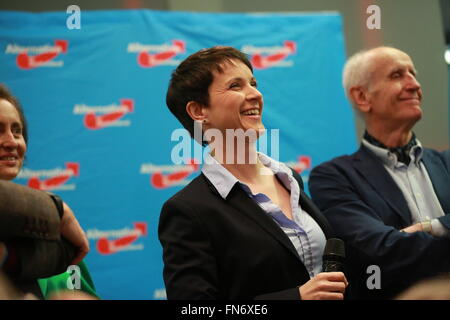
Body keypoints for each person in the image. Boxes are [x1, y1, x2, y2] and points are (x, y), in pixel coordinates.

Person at [158, 46, 348, 300]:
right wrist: (296, 298)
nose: (255, 94)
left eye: (253, 83)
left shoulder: (289, 178)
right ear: (199, 112)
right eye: (236, 86)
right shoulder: (188, 210)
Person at [308, 46, 450, 299]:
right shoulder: (333, 177)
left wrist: (432, 226)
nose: (414, 85)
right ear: (362, 96)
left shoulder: (447, 162)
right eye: (397, 75)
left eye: (413, 74)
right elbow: (381, 249)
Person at [0, 84, 98, 299]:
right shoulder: (57, 216)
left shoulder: (54, 233)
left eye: (17, 131)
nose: (11, 142)